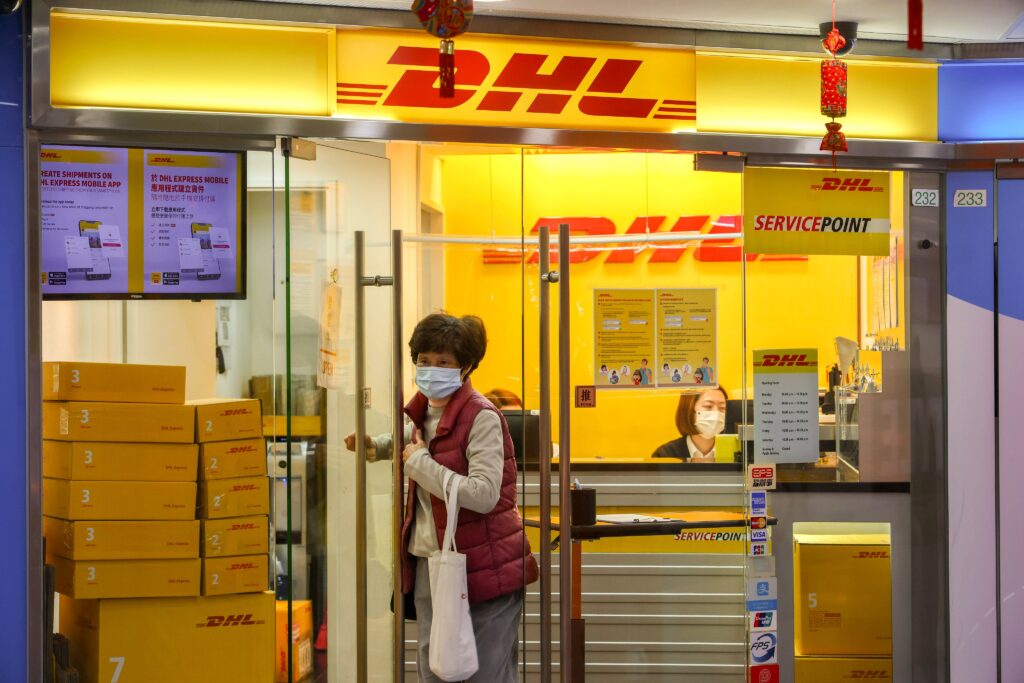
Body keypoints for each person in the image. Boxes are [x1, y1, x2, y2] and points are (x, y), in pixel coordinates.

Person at [345, 313, 538, 683]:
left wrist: (420, 466)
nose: (431, 369)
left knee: (485, 674)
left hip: (484, 568)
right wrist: (377, 446)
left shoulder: (482, 416)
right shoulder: (424, 411)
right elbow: (416, 440)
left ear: (465, 367)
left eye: (443, 362)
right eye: (424, 360)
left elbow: (483, 494)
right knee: (434, 671)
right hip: (430, 566)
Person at [652, 386, 729, 462]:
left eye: (722, 407)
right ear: (689, 409)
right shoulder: (665, 454)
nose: (716, 413)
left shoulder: (732, 451)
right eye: (708, 406)